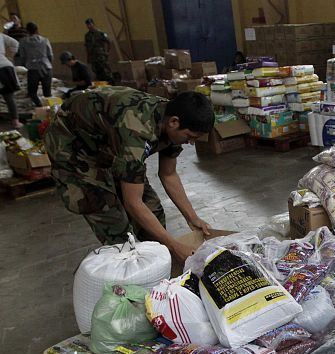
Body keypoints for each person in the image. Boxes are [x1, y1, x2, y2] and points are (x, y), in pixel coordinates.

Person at [43, 88, 214, 262]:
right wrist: (174, 245)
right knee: (114, 223)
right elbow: (133, 203)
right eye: (190, 136)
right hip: (72, 144)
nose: (191, 143)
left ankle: (158, 262)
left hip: (108, 141)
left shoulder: (174, 121)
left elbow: (168, 174)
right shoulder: (137, 131)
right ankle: (131, 270)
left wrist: (193, 218)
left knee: (153, 210)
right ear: (174, 122)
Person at [17, 22, 52, 107]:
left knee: (32, 93)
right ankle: (50, 110)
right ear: (37, 29)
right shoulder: (45, 40)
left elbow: (22, 56)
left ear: (27, 31)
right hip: (46, 68)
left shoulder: (23, 42)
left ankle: (40, 106)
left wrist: (25, 64)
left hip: (33, 70)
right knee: (47, 93)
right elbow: (50, 55)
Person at [0, 32, 21, 128]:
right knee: (9, 97)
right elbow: (15, 43)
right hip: (6, 66)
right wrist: (10, 56)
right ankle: (15, 122)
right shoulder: (1, 35)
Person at [84, 17, 112, 83]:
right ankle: (101, 84)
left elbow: (108, 42)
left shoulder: (100, 33)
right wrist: (88, 57)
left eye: (90, 24)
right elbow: (87, 47)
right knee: (96, 71)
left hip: (101, 55)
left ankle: (111, 83)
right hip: (93, 57)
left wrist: (107, 52)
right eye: (88, 25)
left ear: (93, 24)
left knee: (106, 71)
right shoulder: (87, 35)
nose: (89, 26)